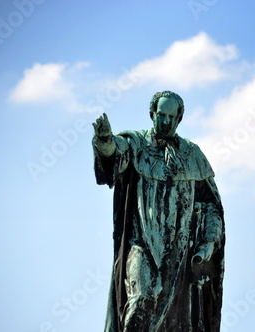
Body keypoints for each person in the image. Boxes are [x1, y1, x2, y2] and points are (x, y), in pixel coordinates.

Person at [92, 91, 225, 331]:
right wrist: (104, 141)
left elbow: (212, 206)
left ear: (179, 118)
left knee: (177, 321)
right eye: (161, 115)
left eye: (171, 117)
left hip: (179, 254)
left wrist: (208, 242)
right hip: (141, 242)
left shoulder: (193, 155)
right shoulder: (136, 144)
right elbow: (114, 152)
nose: (165, 121)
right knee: (141, 298)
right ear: (152, 114)